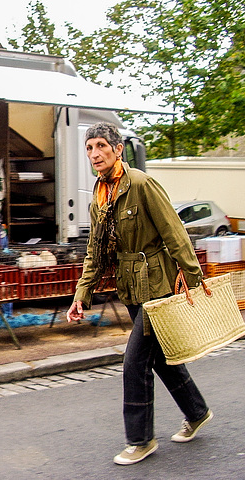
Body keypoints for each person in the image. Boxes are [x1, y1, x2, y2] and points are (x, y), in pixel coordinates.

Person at [66, 123, 212, 466]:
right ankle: (198, 411)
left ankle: (141, 440)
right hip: (130, 288)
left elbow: (175, 233)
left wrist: (194, 280)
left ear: (119, 149)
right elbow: (95, 252)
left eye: (102, 146)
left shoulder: (143, 184)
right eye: (89, 148)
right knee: (160, 358)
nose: (95, 154)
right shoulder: (100, 196)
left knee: (134, 363)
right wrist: (80, 296)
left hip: (158, 287)